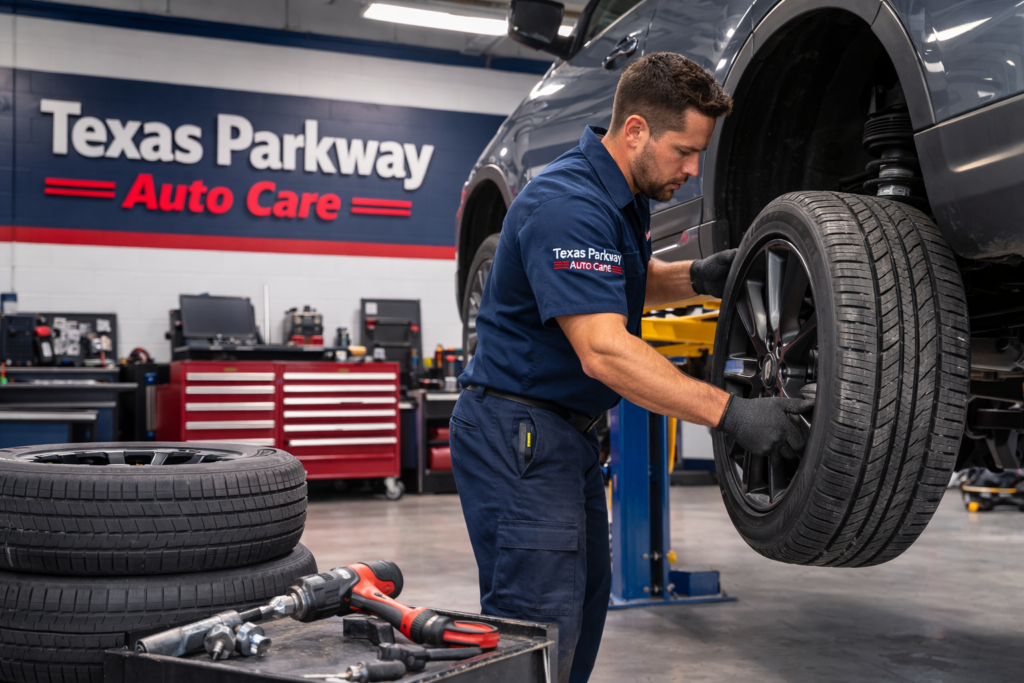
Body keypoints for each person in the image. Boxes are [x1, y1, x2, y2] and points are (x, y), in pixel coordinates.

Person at [449, 52, 813, 683]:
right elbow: (603, 348)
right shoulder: (565, 203)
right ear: (636, 129)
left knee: (582, 612)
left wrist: (694, 277)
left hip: (561, 439)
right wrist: (728, 412)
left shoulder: (620, 194)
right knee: (538, 628)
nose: (694, 169)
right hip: (517, 437)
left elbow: (611, 283)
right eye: (684, 151)